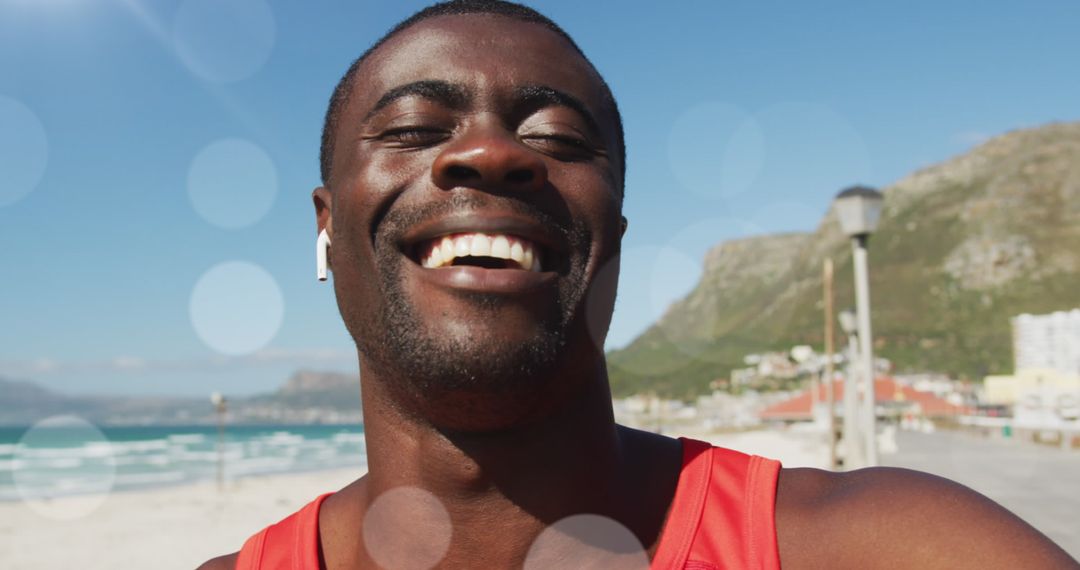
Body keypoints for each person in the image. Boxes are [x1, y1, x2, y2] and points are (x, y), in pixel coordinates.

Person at [201, 1, 1079, 568]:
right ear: (326, 224)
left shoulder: (881, 548)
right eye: (415, 126)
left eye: (556, 137)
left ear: (610, 238)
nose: (491, 153)